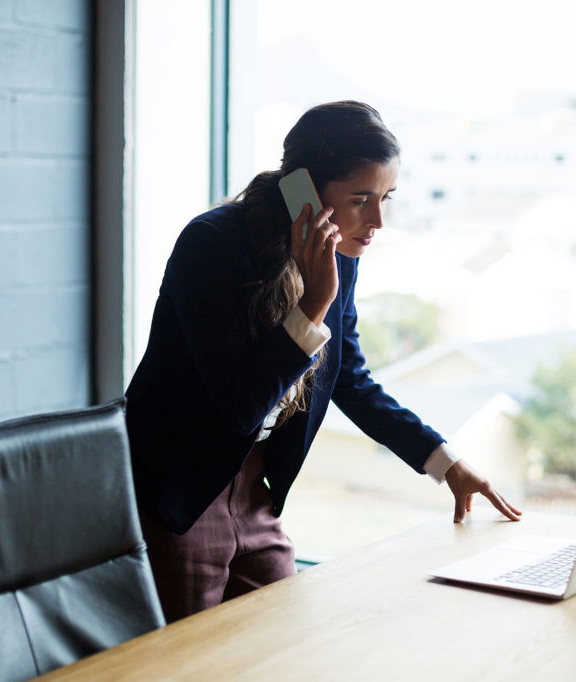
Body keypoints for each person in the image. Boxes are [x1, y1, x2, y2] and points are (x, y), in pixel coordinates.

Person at [124, 100, 521, 623]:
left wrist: (446, 463)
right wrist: (314, 303)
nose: (378, 220)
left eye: (386, 198)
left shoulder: (336, 253)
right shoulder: (212, 244)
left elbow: (349, 378)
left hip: (254, 492)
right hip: (180, 493)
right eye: (361, 199)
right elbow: (238, 407)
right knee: (188, 663)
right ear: (304, 191)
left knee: (281, 642)